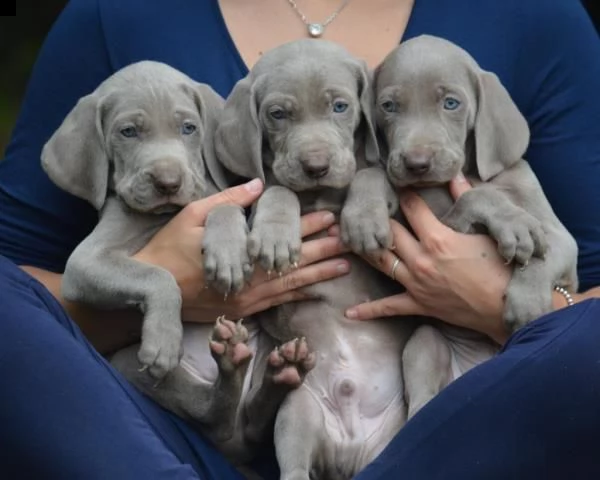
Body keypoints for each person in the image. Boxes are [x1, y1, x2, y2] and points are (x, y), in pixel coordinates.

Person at [0, 0, 599, 478]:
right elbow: (19, 285)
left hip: (448, 426)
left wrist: (503, 307)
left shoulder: (533, 14)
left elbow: (587, 291)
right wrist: (168, 291)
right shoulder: (117, 13)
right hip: (174, 433)